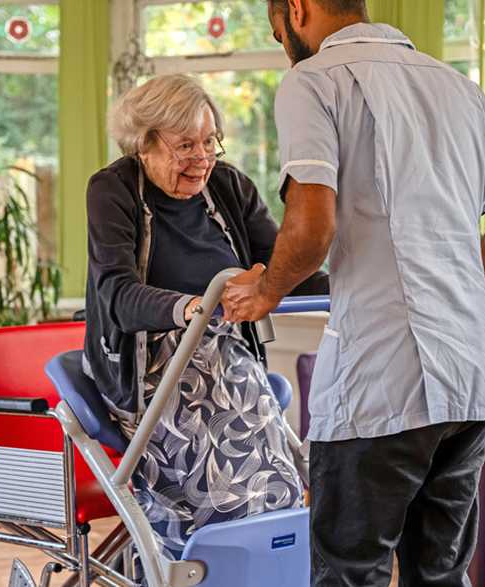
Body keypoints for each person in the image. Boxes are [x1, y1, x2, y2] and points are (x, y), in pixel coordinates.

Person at [221, 1, 485, 585]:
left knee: (350, 572)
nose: (283, 46)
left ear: (298, 9)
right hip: (471, 375)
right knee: (438, 575)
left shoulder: (312, 81)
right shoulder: (458, 88)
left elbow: (313, 227)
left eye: (277, 34)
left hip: (380, 381)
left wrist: (266, 291)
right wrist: (441, 272)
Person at [84, 74, 328, 561]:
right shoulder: (112, 190)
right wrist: (192, 308)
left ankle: (260, 557)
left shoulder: (228, 185)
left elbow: (285, 268)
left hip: (227, 359)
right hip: (148, 367)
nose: (202, 156)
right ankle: (209, 561)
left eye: (210, 141)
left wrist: (356, 284)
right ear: (145, 144)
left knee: (278, 472)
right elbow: (115, 292)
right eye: (185, 145)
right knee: (230, 485)